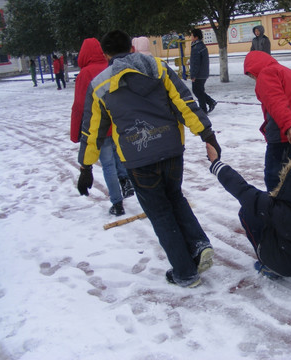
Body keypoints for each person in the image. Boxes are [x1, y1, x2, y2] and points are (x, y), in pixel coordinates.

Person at [77, 30, 221, 288]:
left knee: (159, 212)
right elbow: (185, 102)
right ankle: (199, 245)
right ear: (131, 49)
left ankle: (185, 272)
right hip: (171, 150)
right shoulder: (158, 67)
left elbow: (93, 131)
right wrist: (207, 135)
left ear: (106, 54)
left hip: (138, 158)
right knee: (175, 197)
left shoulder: (100, 84)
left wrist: (86, 166)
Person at [206, 130, 291, 278]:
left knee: (247, 211)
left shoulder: (278, 209)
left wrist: (216, 162)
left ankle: (269, 266)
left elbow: (242, 190)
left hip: (283, 266)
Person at [70, 38, 134, 216]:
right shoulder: (111, 66)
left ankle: (117, 202)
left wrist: (76, 133)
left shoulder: (85, 74)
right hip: (116, 122)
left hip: (99, 126)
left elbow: (80, 106)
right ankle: (126, 182)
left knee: (107, 164)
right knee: (119, 156)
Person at [244, 50, 291, 192]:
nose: (253, 78)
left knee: (276, 182)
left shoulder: (266, 74)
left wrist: (287, 126)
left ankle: (278, 212)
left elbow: (275, 102)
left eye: (251, 75)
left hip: (286, 138)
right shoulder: (286, 72)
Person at [190, 28, 217, 114]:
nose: (190, 37)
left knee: (197, 90)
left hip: (199, 74)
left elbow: (196, 63)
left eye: (192, 35)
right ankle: (210, 102)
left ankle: (204, 109)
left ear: (196, 37)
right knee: (199, 90)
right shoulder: (200, 46)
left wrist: (193, 75)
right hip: (203, 72)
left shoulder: (196, 47)